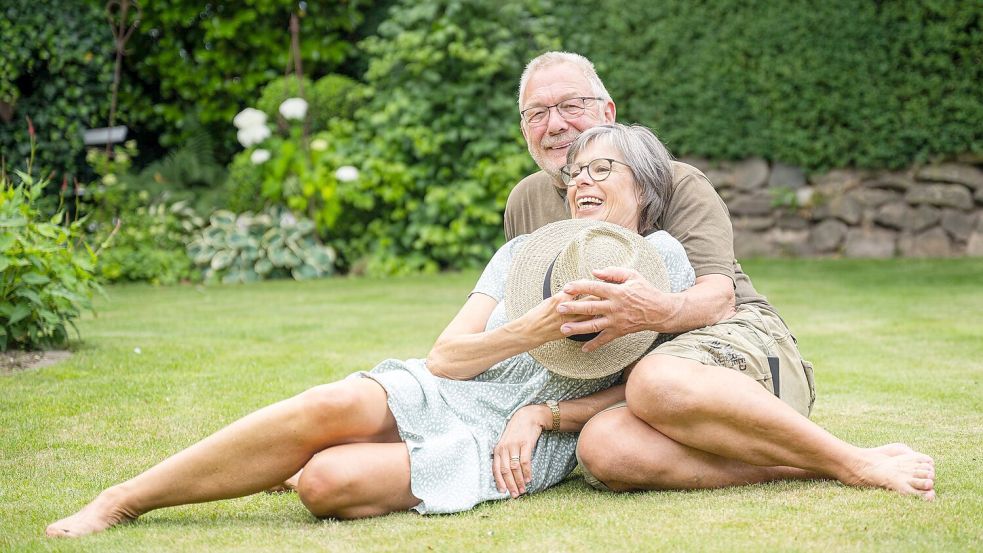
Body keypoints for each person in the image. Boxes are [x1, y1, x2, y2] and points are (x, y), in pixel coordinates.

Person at [45, 128, 696, 537]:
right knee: (330, 404)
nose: (581, 179)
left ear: (644, 184)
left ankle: (285, 468)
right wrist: (528, 327)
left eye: (600, 168)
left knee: (327, 483)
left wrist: (545, 413)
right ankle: (122, 499)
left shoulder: (663, 259)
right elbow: (446, 357)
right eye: (574, 171)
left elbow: (647, 387)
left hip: (516, 437)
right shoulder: (526, 252)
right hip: (452, 389)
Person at [506, 52, 936, 499]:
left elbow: (717, 300)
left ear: (606, 111)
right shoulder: (526, 202)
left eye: (571, 106)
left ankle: (856, 462)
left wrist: (651, 310)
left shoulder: (675, 182)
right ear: (524, 130)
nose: (554, 124)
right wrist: (535, 410)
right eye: (537, 113)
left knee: (655, 380)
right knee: (603, 449)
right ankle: (804, 466)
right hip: (632, 390)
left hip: (737, 351)